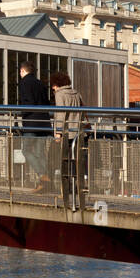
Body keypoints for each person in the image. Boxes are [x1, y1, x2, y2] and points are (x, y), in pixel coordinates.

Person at [50, 71, 86, 210]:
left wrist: (58, 132)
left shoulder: (60, 95)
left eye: (53, 85)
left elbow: (60, 113)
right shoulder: (76, 93)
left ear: (56, 84)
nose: (52, 88)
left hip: (66, 133)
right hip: (77, 131)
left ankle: (67, 190)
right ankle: (76, 187)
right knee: (76, 161)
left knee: (63, 160)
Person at [17, 61, 52, 191]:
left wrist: (23, 114)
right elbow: (47, 103)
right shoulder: (40, 83)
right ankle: (44, 185)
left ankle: (42, 175)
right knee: (40, 153)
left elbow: (28, 102)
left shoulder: (24, 83)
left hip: (31, 123)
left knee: (26, 150)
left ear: (22, 71)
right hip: (43, 123)